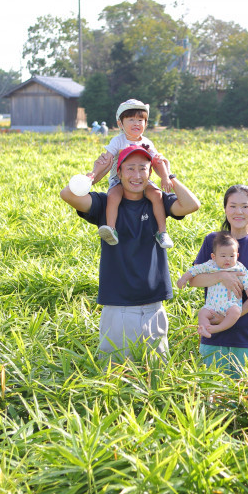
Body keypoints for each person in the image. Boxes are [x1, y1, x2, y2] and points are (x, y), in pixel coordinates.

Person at [61, 144, 201, 361]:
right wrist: (95, 175)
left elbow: (192, 204)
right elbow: (67, 194)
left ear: (150, 173)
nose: (137, 175)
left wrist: (167, 174)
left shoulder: (158, 201)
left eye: (143, 169)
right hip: (118, 306)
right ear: (118, 172)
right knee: (115, 374)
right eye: (130, 168)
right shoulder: (105, 203)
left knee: (155, 373)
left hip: (154, 305)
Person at [188, 185, 248, 378]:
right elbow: (194, 280)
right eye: (233, 206)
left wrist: (229, 319)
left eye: (245, 206)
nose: (238, 212)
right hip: (212, 334)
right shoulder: (212, 240)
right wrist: (222, 276)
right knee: (213, 397)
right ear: (225, 209)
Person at [84, 99, 174, 249]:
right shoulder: (118, 141)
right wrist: (93, 174)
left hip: (142, 180)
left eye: (140, 120)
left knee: (157, 195)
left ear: (146, 123)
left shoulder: (147, 143)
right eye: (131, 119)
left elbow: (157, 161)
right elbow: (106, 159)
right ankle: (111, 229)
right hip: (120, 179)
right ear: (120, 123)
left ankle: (162, 232)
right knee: (113, 195)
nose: (136, 123)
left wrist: (165, 176)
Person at [177, 232, 248, 337]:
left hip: (230, 304)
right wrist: (183, 278)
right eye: (223, 256)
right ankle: (204, 329)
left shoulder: (239, 268)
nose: (227, 259)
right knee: (202, 313)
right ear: (214, 256)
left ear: (237, 256)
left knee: (235, 312)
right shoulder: (210, 265)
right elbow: (195, 270)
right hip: (212, 305)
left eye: (231, 256)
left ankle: (217, 328)